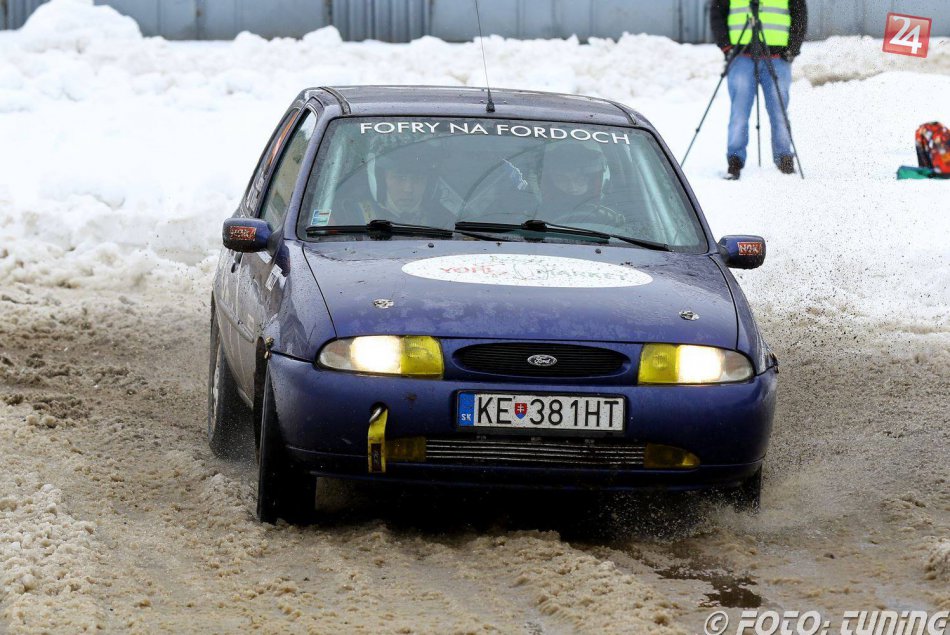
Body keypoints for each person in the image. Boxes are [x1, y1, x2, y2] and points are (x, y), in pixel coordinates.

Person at [711, 0, 808, 179]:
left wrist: (792, 48)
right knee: (739, 112)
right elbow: (717, 12)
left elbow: (799, 13)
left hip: (778, 57)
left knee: (779, 112)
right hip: (741, 55)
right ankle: (734, 161)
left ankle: (784, 159)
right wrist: (726, 46)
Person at [366, 144, 455, 228]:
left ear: (429, 184)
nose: (408, 189)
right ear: (382, 180)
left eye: (417, 179)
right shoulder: (359, 217)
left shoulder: (446, 221)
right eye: (400, 178)